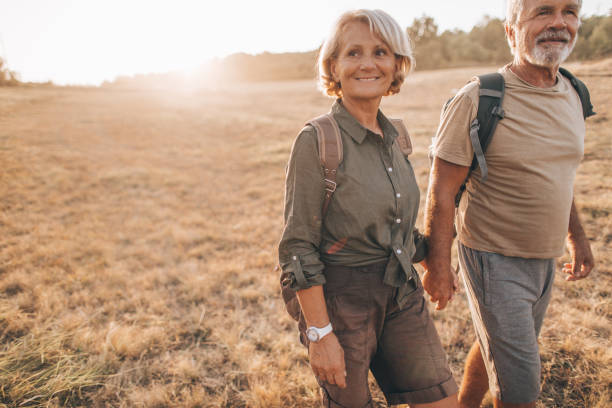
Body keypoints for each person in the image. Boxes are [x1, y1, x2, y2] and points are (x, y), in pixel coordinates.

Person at [278, 9, 459, 408]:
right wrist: (320, 334)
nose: (367, 63)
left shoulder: (397, 138)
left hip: (401, 293)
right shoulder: (318, 140)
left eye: (380, 52)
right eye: (353, 53)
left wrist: (435, 258)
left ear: (397, 65)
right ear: (334, 66)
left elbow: (396, 226)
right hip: (341, 303)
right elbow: (297, 249)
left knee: (445, 401)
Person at [423, 0, 595, 407]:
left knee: (496, 349)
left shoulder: (573, 92)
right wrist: (438, 264)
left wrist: (580, 239)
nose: (559, 23)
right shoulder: (478, 98)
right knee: (520, 385)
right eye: (543, 11)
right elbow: (441, 190)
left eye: (569, 12)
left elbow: (558, 176)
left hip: (544, 258)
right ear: (511, 30)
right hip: (492, 258)